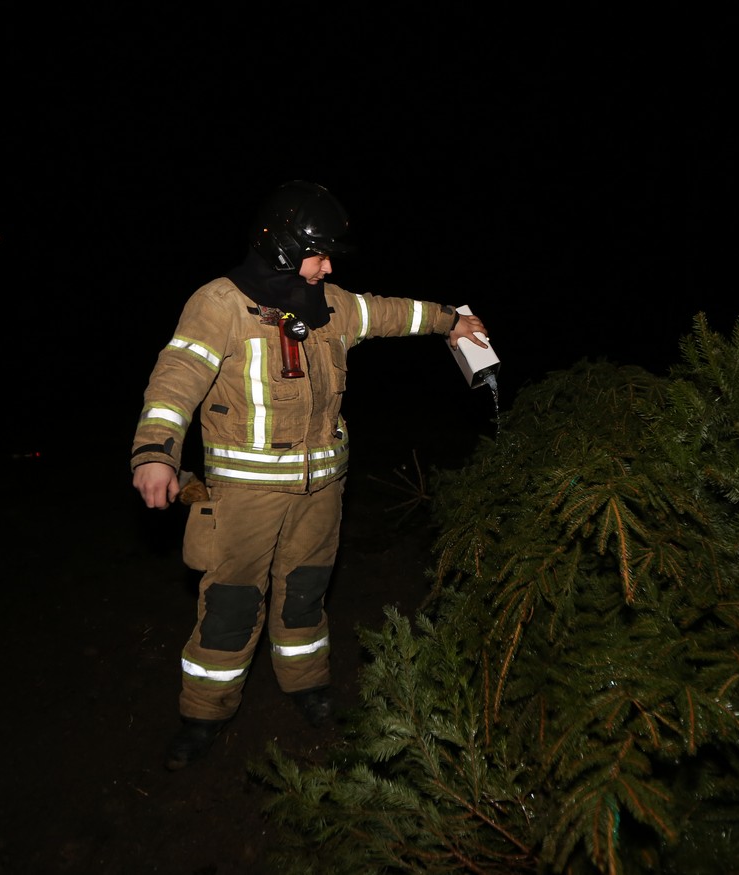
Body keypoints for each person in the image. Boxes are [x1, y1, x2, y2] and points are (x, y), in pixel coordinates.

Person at [131, 180, 491, 770]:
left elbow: (393, 312)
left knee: (304, 597)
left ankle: (307, 686)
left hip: (322, 493)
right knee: (229, 608)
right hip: (242, 499)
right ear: (283, 247)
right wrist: (155, 452)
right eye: (318, 254)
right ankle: (203, 716)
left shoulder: (334, 306)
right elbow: (177, 377)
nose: (328, 267)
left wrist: (452, 321)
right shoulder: (220, 303)